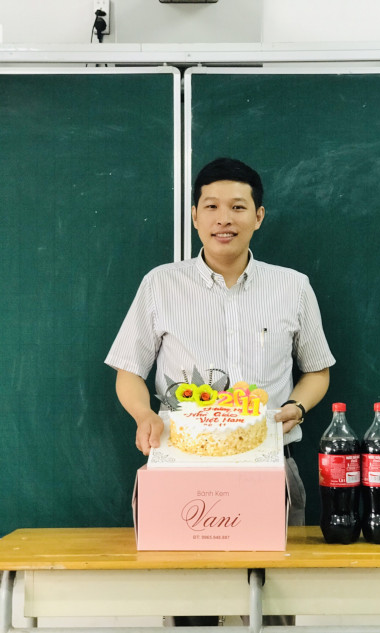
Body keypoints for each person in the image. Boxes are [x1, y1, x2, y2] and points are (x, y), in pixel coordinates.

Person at [105, 157, 335, 625]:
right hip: (181, 469)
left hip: (271, 464)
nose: (223, 218)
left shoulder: (293, 287)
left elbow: (317, 371)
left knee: (275, 609)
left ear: (258, 216)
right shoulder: (160, 285)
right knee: (190, 611)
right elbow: (128, 371)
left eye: (237, 206)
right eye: (211, 206)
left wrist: (297, 405)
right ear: (194, 216)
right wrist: (144, 415)